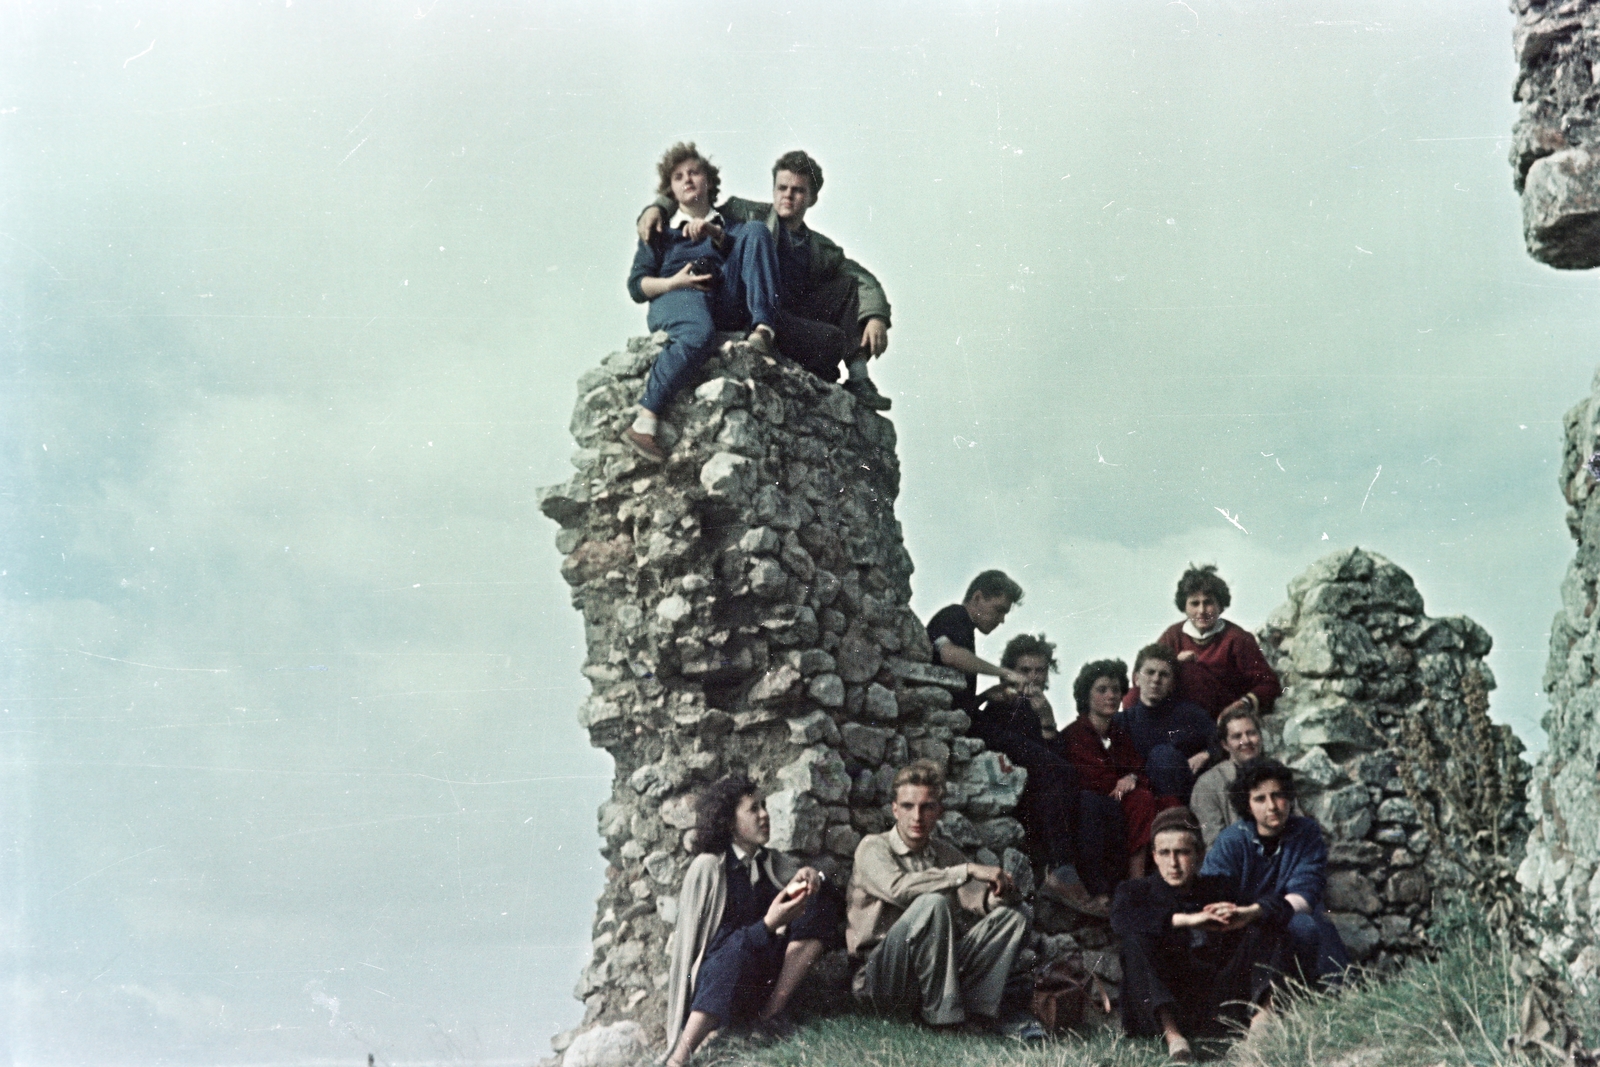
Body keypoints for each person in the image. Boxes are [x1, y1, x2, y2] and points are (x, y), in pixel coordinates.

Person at [638, 149, 894, 410]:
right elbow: (696, 198)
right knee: (829, 345)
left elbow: (861, 278)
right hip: (751, 309)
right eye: (782, 188)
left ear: (812, 198)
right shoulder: (746, 213)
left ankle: (859, 378)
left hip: (790, 313)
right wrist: (658, 207)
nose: (788, 195)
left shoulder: (820, 247)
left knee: (847, 292)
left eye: (798, 190)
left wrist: (876, 317)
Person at [847, 760, 1037, 1036]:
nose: (917, 816)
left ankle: (978, 1015)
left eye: (927, 807)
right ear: (895, 809)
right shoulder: (873, 847)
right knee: (931, 903)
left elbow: (977, 901)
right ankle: (944, 1022)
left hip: (935, 974)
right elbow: (898, 889)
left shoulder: (944, 853)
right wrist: (967, 869)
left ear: (939, 812)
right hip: (883, 978)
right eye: (909, 807)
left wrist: (1002, 895)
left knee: (1015, 917)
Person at [664, 774, 840, 1066]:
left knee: (819, 908)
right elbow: (713, 947)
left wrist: (811, 877)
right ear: (730, 823)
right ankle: (679, 1058)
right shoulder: (709, 867)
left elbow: (818, 890)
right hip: (715, 981)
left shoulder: (768, 860)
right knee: (735, 950)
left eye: (764, 806)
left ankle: (768, 1017)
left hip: (760, 979)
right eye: (753, 809)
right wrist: (768, 924)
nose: (764, 815)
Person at [624, 143, 782, 463]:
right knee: (698, 332)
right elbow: (636, 286)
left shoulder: (732, 223)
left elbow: (758, 241)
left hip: (723, 297)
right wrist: (673, 282)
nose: (687, 180)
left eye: (695, 173)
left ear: (708, 181)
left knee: (755, 230)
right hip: (677, 295)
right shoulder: (660, 232)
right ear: (670, 190)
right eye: (678, 177)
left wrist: (717, 234)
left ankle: (763, 329)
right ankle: (645, 421)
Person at [1112, 807, 1292, 1062]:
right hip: (1164, 1004)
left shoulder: (1217, 887)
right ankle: (1176, 1041)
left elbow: (1280, 906)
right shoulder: (1135, 892)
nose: (1173, 863)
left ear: (1198, 855)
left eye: (1182, 852)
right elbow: (1122, 921)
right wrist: (1189, 920)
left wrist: (1247, 912)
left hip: (1215, 1003)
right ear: (1154, 856)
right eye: (1165, 853)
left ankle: (1261, 1027)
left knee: (1265, 925)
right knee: (1134, 941)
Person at [971, 634, 1121, 917]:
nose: (1033, 677)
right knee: (1062, 774)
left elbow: (1057, 758)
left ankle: (1096, 889)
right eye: (1025, 670)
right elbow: (1042, 760)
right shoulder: (1000, 704)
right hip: (1020, 795)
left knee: (1092, 803)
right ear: (1011, 671)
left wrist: (1046, 718)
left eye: (1039, 670)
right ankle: (1061, 870)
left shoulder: (1039, 706)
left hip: (1049, 794)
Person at [1199, 759, 1351, 990]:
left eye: (1278, 795)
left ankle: (1336, 993)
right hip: (1243, 926)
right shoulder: (1231, 841)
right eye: (1260, 798)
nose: (1272, 806)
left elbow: (1305, 894)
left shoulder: (1306, 833)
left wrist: (1257, 911)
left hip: (1288, 915)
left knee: (1309, 925)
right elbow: (1212, 892)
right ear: (1247, 805)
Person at [1060, 660, 1175, 881]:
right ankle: (1136, 879)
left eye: (1115, 689)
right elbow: (1092, 779)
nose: (1111, 696)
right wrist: (1123, 783)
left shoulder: (1118, 733)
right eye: (1102, 690)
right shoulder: (1075, 735)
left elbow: (1139, 769)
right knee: (1141, 800)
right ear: (1086, 695)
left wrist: (1131, 777)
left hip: (1121, 800)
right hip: (1092, 805)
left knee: (1168, 803)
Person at [1127, 564, 1282, 719]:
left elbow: (1269, 684)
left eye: (1208, 603)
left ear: (1220, 606)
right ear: (1185, 607)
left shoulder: (1237, 638)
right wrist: (1174, 662)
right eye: (1195, 603)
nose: (1201, 611)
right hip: (1175, 711)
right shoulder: (1173, 635)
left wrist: (1243, 704)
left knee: (1190, 671)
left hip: (1219, 713)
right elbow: (1142, 673)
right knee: (1133, 696)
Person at [1117, 644, 1216, 805]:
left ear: (1172, 684)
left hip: (1181, 800)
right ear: (1136, 679)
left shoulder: (1190, 715)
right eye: (1150, 672)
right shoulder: (1122, 722)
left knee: (1163, 756)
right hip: (1141, 801)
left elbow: (1223, 739)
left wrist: (1207, 753)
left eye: (1163, 675)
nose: (1156, 679)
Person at [925, 570, 1030, 718]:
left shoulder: (965, 627)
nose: (1001, 620)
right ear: (977, 597)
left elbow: (959, 706)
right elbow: (949, 655)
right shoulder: (954, 615)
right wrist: (1005, 673)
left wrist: (986, 696)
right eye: (999, 610)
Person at [1190, 706, 1265, 846]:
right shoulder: (1208, 785)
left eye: (1251, 733)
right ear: (1225, 745)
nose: (1246, 741)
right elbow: (1214, 843)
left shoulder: (1275, 775)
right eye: (1237, 736)